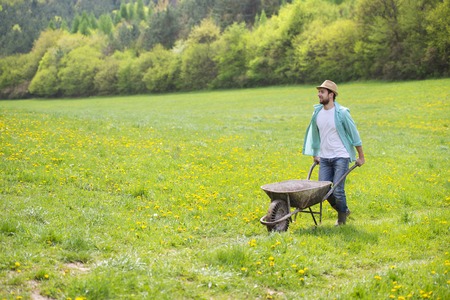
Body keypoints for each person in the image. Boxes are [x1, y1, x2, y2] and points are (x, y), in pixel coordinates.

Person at [302, 80, 365, 225]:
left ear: (331, 95)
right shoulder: (317, 112)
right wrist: (315, 154)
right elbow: (316, 135)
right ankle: (344, 210)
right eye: (319, 91)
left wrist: (361, 156)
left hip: (340, 156)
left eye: (322, 92)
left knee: (338, 191)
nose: (319, 94)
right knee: (323, 191)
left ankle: (342, 219)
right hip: (324, 157)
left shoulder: (342, 113)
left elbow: (354, 134)